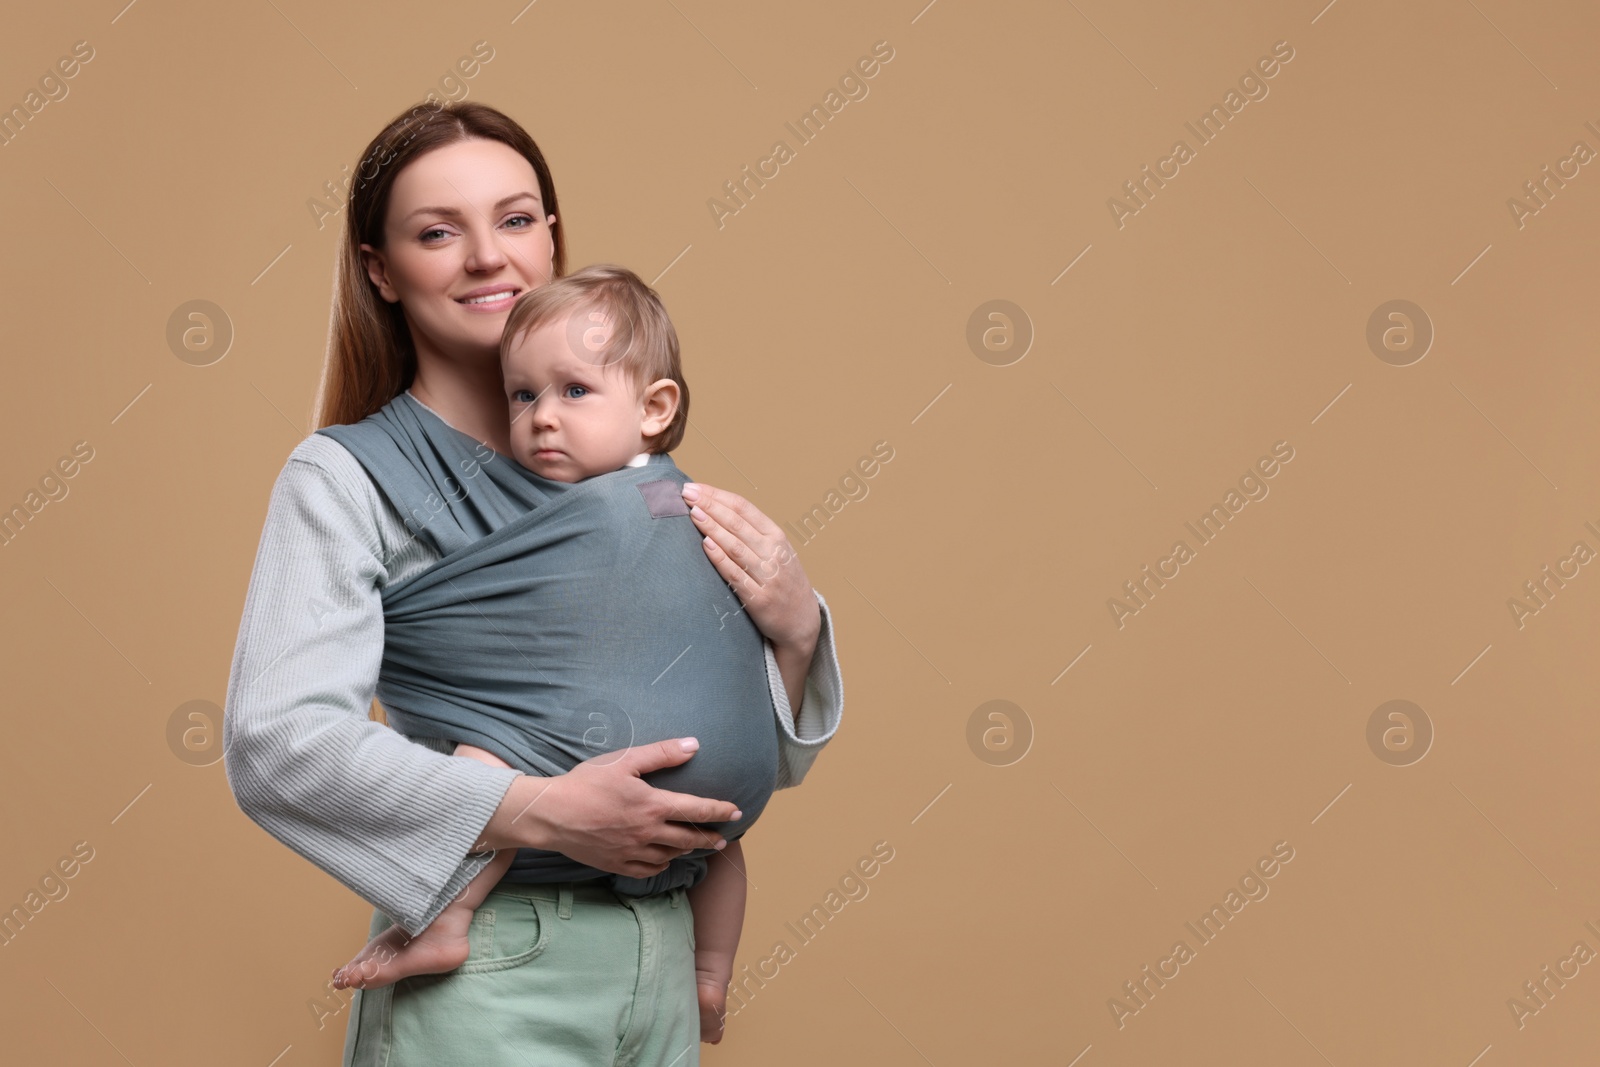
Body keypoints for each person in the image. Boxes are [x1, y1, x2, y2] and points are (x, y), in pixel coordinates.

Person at [221, 101, 844, 1067]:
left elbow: (729, 742)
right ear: (380, 269)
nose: (487, 258)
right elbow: (278, 743)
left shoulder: (617, 460)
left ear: (552, 234)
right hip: (490, 970)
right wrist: (531, 808)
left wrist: (798, 630)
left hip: (665, 959)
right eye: (438, 233)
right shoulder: (345, 478)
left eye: (515, 219)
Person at [327, 263, 791, 1049]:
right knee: (486, 767)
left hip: (688, 864)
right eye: (523, 395)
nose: (543, 418)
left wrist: (799, 625)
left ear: (655, 408)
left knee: (717, 851)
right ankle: (452, 918)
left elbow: (726, 635)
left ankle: (711, 971)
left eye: (574, 392)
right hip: (567, 770)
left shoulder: (696, 510)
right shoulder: (521, 503)